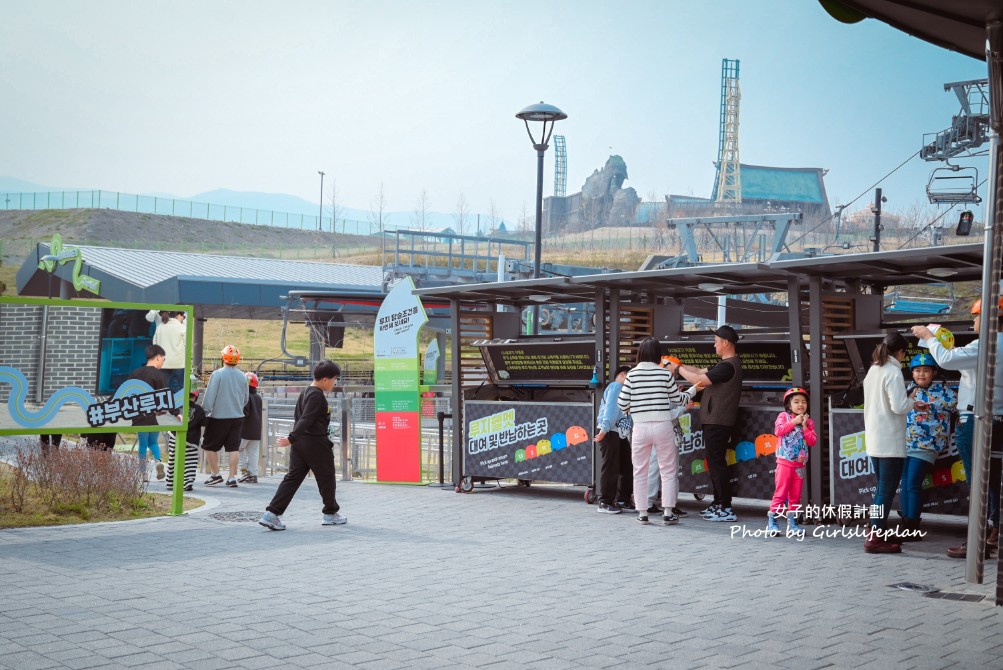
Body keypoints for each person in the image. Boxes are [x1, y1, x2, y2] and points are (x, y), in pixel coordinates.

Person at [911, 297, 995, 558]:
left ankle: (980, 539)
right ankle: (991, 534)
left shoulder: (984, 345)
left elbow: (946, 359)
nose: (973, 322)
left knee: (979, 481)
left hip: (976, 420)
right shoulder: (983, 347)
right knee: (991, 480)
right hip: (990, 419)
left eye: (975, 317)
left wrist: (928, 334)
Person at [617, 337, 696, 525]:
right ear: (658, 355)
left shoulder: (632, 375)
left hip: (640, 428)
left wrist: (632, 409)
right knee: (668, 471)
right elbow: (678, 399)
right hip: (663, 427)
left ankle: (642, 513)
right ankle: (668, 512)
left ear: (640, 353)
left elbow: (621, 403)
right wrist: (692, 391)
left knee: (640, 470)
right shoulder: (664, 375)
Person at [259, 360, 346, 530]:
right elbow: (306, 418)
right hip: (315, 443)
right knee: (327, 477)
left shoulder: (306, 391)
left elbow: (299, 417)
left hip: (300, 444)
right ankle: (330, 513)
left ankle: (272, 514)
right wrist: (291, 438)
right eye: (335, 379)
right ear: (325, 379)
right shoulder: (316, 395)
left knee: (292, 478)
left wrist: (294, 439)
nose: (335, 383)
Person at [670, 325, 744, 522]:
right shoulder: (724, 365)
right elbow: (698, 371)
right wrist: (679, 364)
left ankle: (725, 507)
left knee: (717, 463)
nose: (714, 345)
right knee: (714, 462)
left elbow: (697, 380)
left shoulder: (728, 366)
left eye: (716, 341)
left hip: (718, 421)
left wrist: (677, 369)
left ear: (726, 342)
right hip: (715, 420)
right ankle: (718, 503)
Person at [862, 331, 920, 554]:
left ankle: (876, 530)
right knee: (885, 491)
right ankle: (875, 537)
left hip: (875, 439)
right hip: (890, 441)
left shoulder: (873, 370)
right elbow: (898, 406)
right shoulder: (893, 372)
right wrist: (912, 400)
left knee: (881, 490)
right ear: (901, 351)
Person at [899, 353, 956, 541]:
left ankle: (913, 525)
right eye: (917, 370)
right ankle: (906, 522)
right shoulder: (909, 389)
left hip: (927, 445)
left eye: (926, 370)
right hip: (905, 443)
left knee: (913, 483)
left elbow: (953, 405)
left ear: (934, 372)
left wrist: (930, 405)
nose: (921, 374)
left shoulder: (943, 391)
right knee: (906, 483)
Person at [766, 388, 817, 537]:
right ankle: (772, 523)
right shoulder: (783, 416)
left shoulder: (809, 421)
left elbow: (812, 441)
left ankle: (793, 524)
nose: (800, 404)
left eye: (803, 401)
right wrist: (794, 422)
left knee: (795, 496)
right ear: (789, 405)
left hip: (799, 465)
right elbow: (778, 431)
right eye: (796, 402)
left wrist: (806, 426)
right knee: (780, 493)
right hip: (784, 462)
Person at [201, 345, 249, 488]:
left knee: (209, 446)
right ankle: (232, 477)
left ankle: (215, 474)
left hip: (218, 417)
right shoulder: (242, 376)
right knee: (233, 448)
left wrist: (205, 411)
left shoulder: (217, 374)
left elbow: (210, 397)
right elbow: (246, 399)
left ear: (223, 358)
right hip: (237, 417)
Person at [593, 365, 633, 514]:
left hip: (619, 433)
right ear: (623, 375)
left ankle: (623, 499)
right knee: (611, 467)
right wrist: (604, 429)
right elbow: (610, 409)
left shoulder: (625, 391)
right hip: (609, 431)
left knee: (626, 466)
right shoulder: (616, 386)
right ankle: (605, 502)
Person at [128, 344, 168, 481]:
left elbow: (129, 392)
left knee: (143, 445)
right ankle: (158, 461)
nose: (163, 362)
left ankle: (143, 473)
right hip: (153, 416)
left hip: (139, 416)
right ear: (158, 357)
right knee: (153, 442)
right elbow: (163, 397)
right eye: (163, 359)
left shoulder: (135, 373)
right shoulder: (159, 375)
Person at [166, 387, 207, 492]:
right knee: (191, 461)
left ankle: (171, 482)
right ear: (196, 397)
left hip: (175, 436)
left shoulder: (178, 406)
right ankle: (187, 482)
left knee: (173, 460)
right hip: (192, 440)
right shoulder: (199, 410)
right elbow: (204, 425)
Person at [153, 311, 187, 396]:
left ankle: (165, 407)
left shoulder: (160, 327)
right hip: (179, 364)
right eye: (183, 316)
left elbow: (155, 343)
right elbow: (187, 345)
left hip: (163, 363)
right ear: (178, 316)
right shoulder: (182, 327)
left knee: (163, 389)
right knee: (179, 388)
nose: (183, 318)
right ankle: (178, 407)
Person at [238, 372, 263, 484]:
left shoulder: (244, 396)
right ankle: (253, 475)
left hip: (244, 430)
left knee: (238, 449)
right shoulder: (258, 397)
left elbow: (244, 413)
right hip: (256, 431)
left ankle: (244, 473)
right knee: (253, 453)